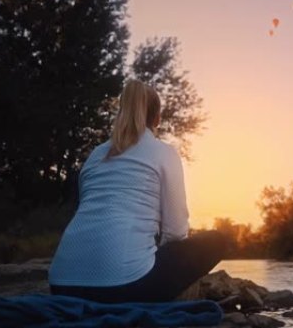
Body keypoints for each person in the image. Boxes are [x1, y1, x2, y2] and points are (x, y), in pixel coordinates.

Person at [48, 80, 226, 303]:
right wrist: (153, 258)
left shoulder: (95, 155)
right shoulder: (164, 152)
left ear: (122, 111)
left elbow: (92, 210)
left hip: (61, 285)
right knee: (218, 240)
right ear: (157, 119)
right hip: (120, 288)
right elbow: (176, 231)